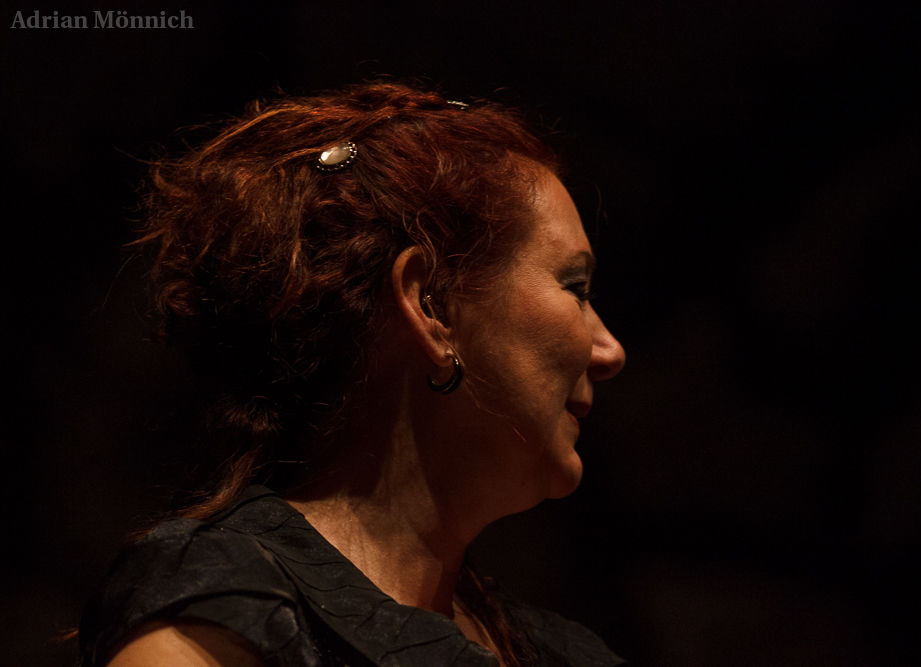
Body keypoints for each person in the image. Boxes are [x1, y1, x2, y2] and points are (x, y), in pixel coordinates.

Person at [80, 82, 626, 667]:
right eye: (575, 288)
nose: (610, 351)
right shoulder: (218, 627)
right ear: (431, 306)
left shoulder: (563, 653)